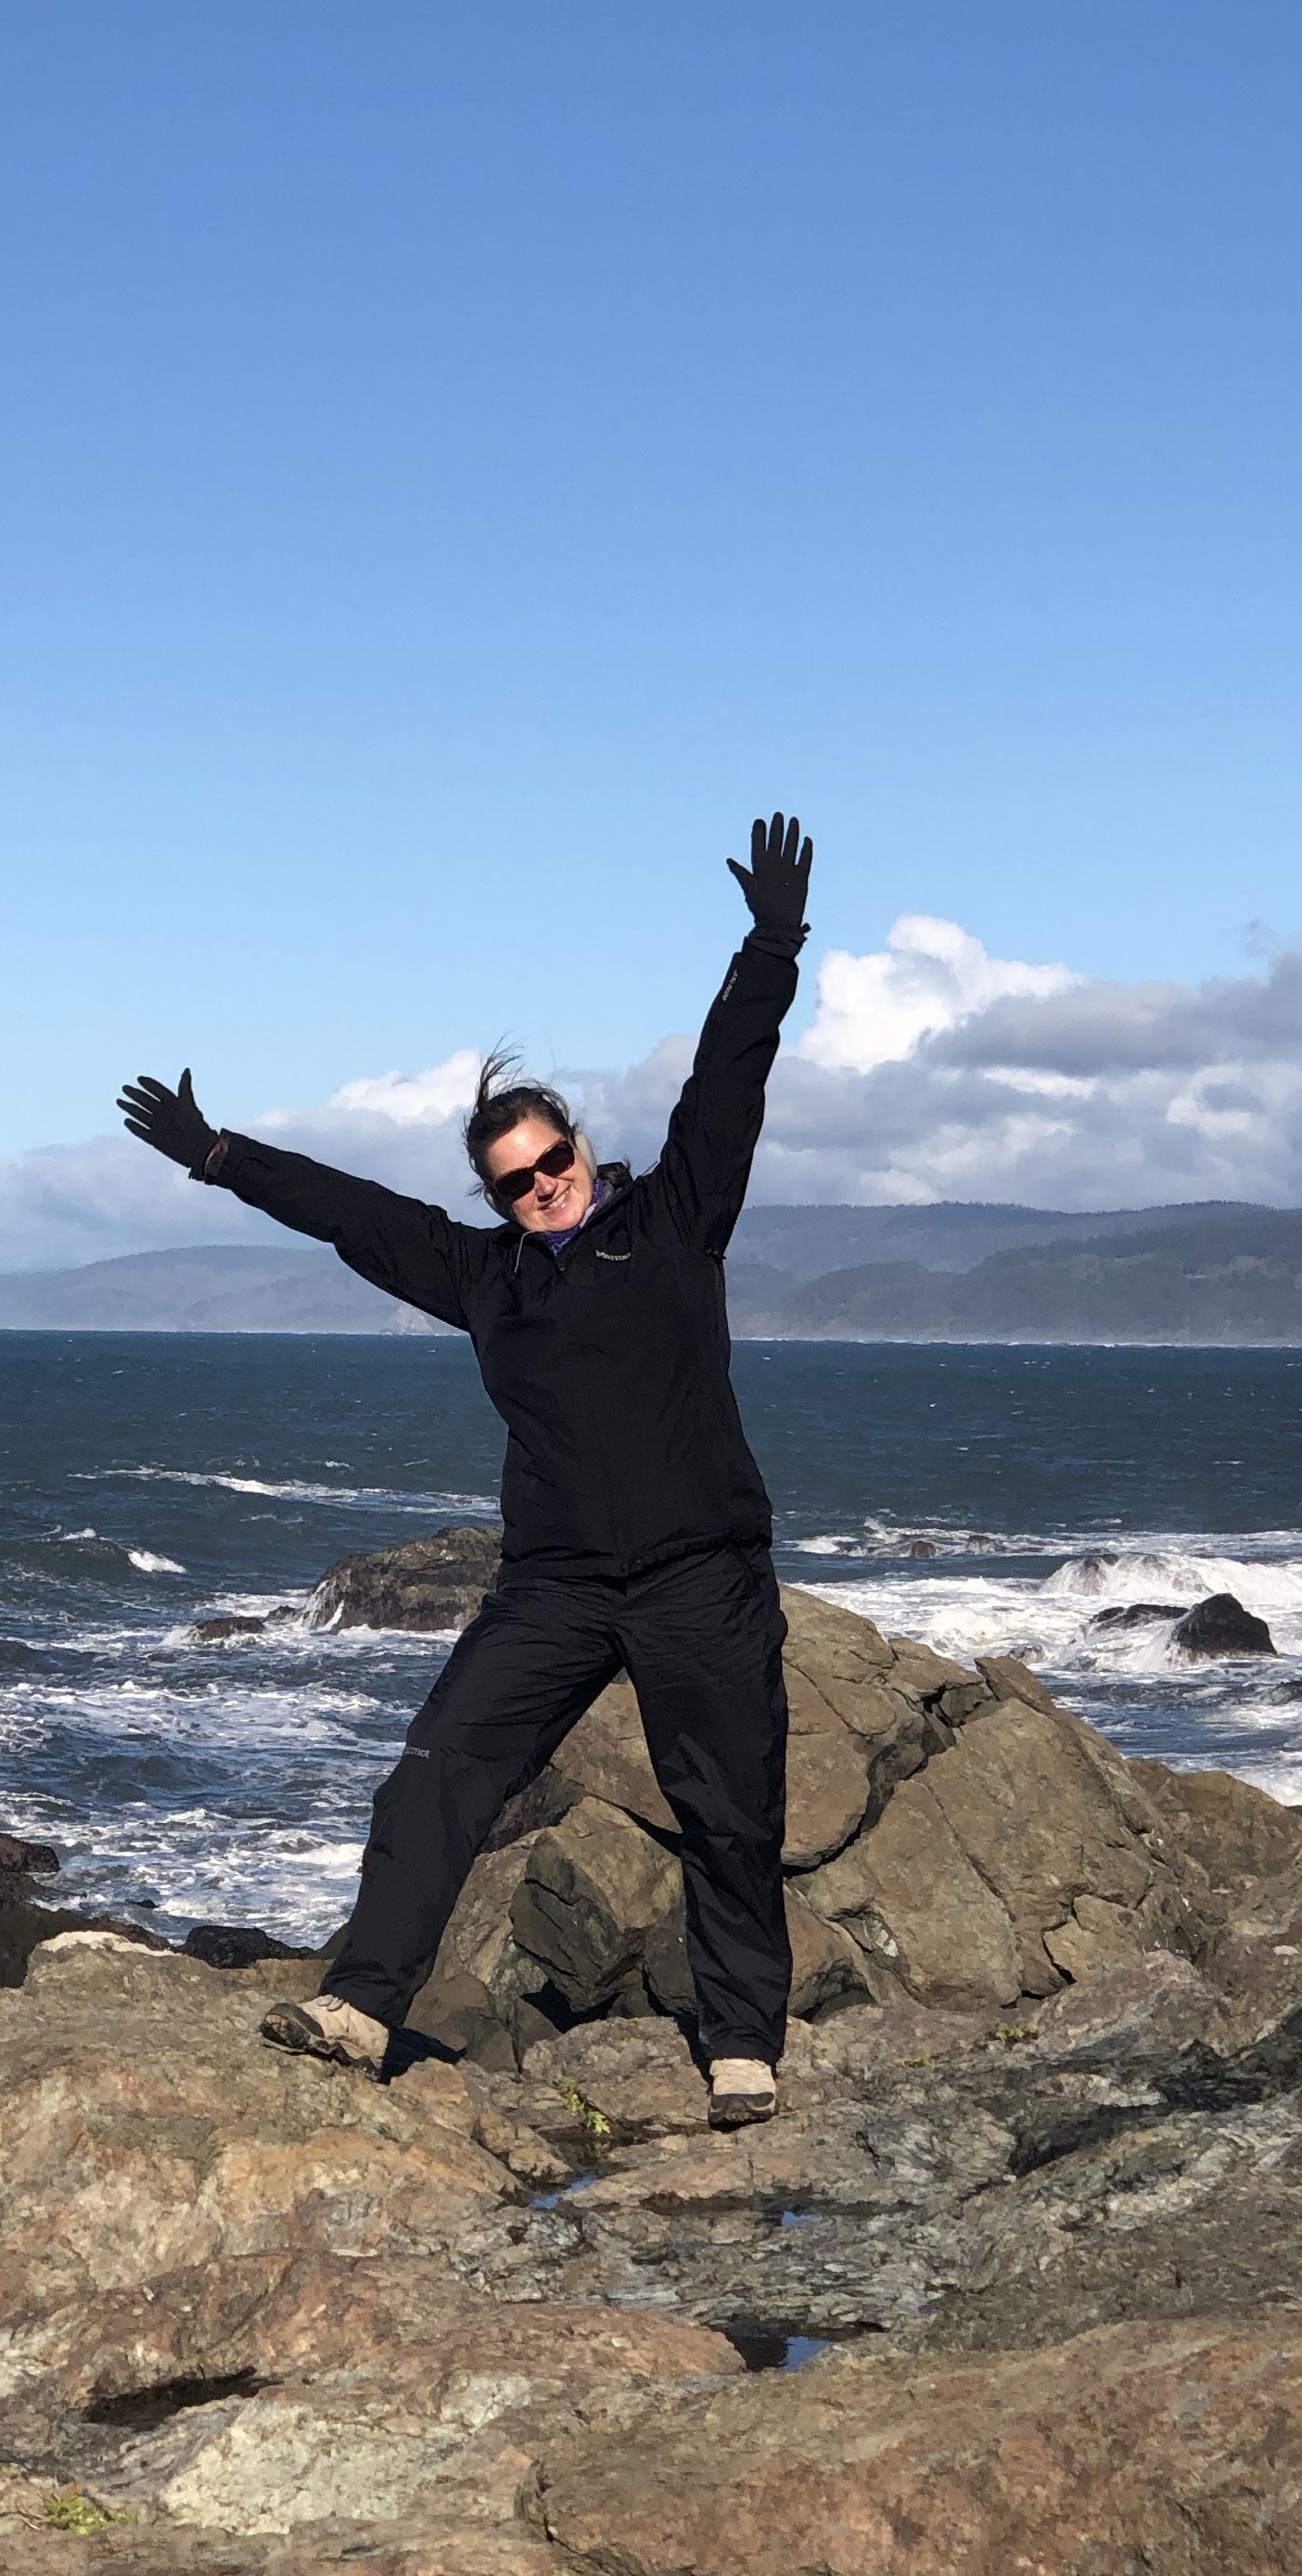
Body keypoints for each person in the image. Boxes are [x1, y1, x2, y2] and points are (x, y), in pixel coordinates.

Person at [119, 812, 814, 2128]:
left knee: (729, 1810)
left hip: (700, 1574)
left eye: (553, 1162)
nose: (542, 1187)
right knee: (437, 1772)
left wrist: (770, 947)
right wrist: (221, 1158)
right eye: (515, 1183)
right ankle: (361, 2004)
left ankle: (740, 2046)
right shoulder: (486, 1278)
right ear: (496, 1200)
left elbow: (729, 1079)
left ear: (582, 1150)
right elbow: (355, 1216)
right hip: (554, 1587)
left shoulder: (676, 1222)